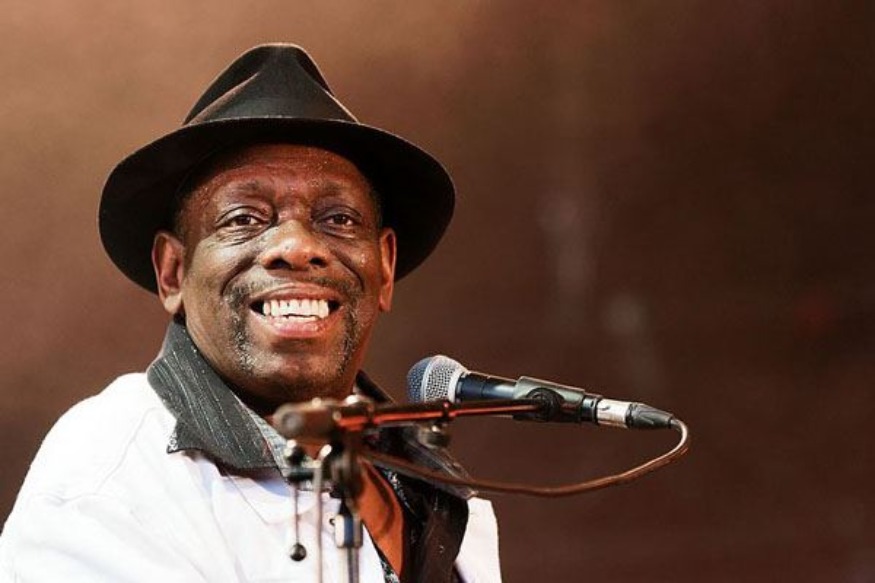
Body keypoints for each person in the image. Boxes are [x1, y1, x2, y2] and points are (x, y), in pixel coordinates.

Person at [0, 44, 500, 582]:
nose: (297, 246)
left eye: (338, 218)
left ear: (384, 264)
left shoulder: (443, 493)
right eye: (243, 218)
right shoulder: (112, 476)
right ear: (173, 272)